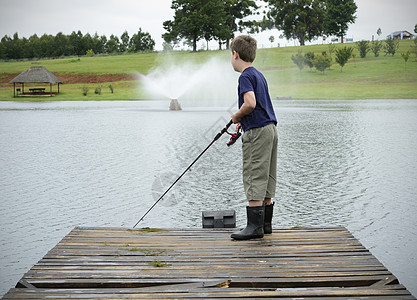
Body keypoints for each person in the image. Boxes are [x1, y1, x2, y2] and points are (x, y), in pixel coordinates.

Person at [229, 35, 278, 240]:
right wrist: (244, 121)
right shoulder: (259, 75)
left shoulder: (245, 77)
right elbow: (259, 106)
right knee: (267, 175)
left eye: (230, 55)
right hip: (270, 130)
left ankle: (254, 228)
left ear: (235, 54)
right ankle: (265, 225)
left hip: (257, 133)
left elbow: (250, 103)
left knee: (253, 174)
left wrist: (236, 116)